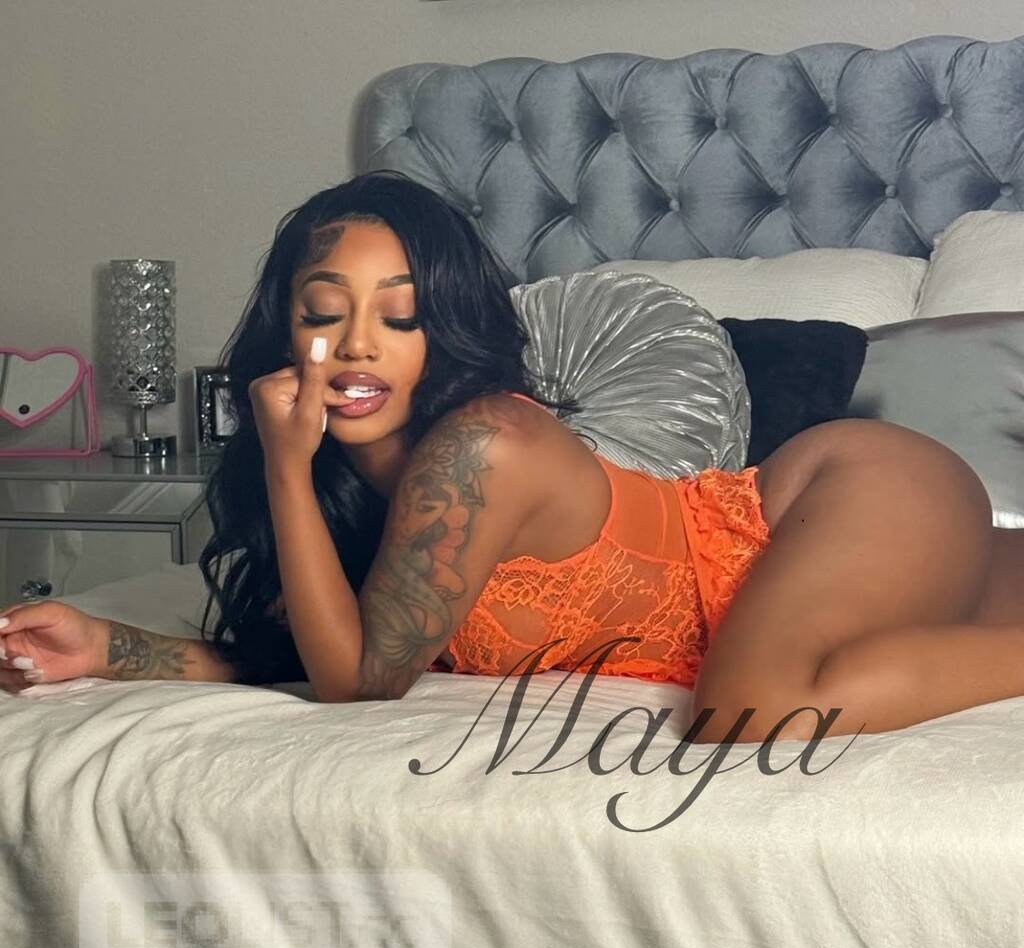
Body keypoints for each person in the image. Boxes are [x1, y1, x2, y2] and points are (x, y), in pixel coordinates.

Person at [2, 170, 1024, 745]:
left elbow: (358, 682)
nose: (355, 346)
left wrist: (280, 463)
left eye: (399, 317)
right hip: (816, 570)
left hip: (842, 492)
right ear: (288, 332)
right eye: (323, 313)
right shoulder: (346, 496)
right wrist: (109, 647)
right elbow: (315, 658)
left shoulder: (483, 444)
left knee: (747, 710)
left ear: (442, 332)